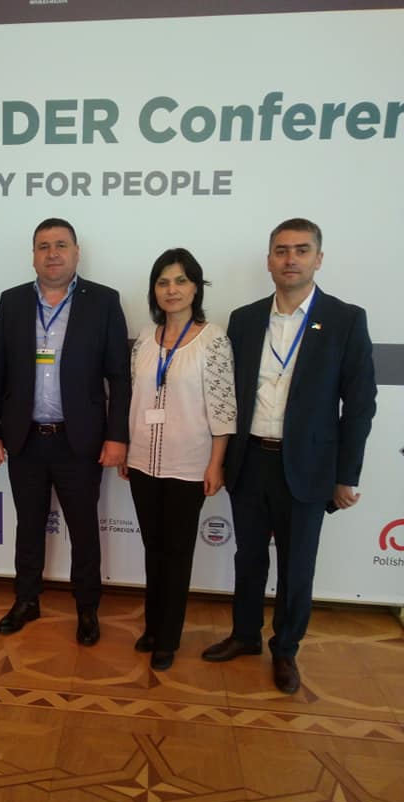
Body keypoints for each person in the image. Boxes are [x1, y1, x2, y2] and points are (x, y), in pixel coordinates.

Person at [201, 218, 377, 693]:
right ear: (269, 261)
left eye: (301, 250)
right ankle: (244, 635)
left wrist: (346, 476)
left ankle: (286, 650)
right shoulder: (245, 319)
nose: (290, 259)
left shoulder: (344, 319)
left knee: (297, 566)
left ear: (318, 258)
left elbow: (360, 404)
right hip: (249, 460)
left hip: (307, 467)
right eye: (281, 251)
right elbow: (227, 397)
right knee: (249, 558)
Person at [0, 217, 131, 646]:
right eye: (43, 246)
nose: (52, 254)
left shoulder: (103, 301)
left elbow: (119, 377)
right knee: (28, 526)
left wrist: (117, 436)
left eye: (61, 245)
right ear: (33, 255)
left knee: (83, 529)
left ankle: (87, 608)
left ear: (76, 253)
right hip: (25, 438)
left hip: (79, 442)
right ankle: (26, 600)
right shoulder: (12, 301)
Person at [120, 249, 237, 671]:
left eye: (181, 280)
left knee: (177, 552)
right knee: (153, 549)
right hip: (142, 462)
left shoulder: (213, 338)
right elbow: (131, 398)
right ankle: (152, 628)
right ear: (154, 290)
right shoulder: (145, 339)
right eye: (163, 282)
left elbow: (223, 408)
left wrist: (216, 463)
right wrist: (127, 449)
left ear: (195, 287)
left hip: (189, 465)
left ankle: (168, 638)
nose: (172, 289)